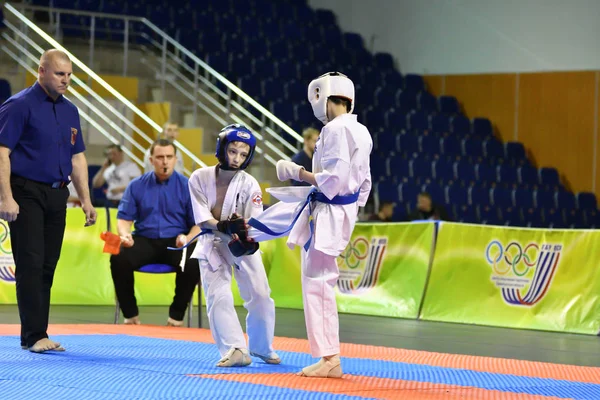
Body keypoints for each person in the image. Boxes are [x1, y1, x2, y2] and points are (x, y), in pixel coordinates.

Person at [246, 72, 372, 378]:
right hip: (340, 211)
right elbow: (364, 184)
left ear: (324, 98)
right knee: (317, 276)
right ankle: (243, 230)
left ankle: (330, 359)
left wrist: (298, 172)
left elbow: (331, 182)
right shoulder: (361, 130)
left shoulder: (333, 131)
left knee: (318, 282)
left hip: (329, 210)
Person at [0, 49, 97, 353]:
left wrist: (86, 199)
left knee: (47, 265)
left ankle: (35, 332)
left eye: (69, 75)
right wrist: (6, 197)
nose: (65, 80)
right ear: (40, 71)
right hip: (25, 192)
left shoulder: (70, 111)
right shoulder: (18, 106)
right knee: (29, 263)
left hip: (58, 195)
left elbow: (78, 158)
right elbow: (1, 152)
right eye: (59, 74)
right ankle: (34, 335)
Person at [187, 124, 280, 367]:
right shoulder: (199, 177)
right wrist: (222, 225)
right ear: (221, 148)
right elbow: (201, 218)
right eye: (232, 151)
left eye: (243, 153)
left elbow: (256, 221)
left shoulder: (250, 184)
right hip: (212, 242)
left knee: (260, 295)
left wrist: (250, 240)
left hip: (240, 242)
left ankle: (261, 346)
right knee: (219, 296)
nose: (237, 158)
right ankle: (236, 349)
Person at [110, 139, 200, 326]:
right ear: (151, 160)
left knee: (194, 258)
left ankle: (176, 317)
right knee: (118, 255)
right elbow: (125, 218)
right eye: (160, 157)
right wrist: (125, 234)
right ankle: (131, 315)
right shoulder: (136, 186)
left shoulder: (188, 186)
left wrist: (188, 238)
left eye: (169, 157)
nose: (165, 161)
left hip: (176, 242)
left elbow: (198, 224)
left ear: (175, 159)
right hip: (144, 239)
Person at [92, 144, 141, 208]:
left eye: (114, 153)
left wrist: (120, 189)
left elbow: (137, 184)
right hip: (110, 201)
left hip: (125, 201)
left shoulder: (131, 166)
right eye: (109, 154)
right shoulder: (108, 169)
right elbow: (96, 184)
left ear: (121, 153)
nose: (112, 156)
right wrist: (103, 168)